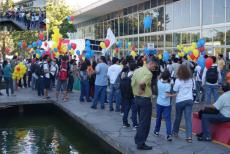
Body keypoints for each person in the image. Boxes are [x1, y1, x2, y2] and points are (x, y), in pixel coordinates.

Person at [132, 58, 156, 150]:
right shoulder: (148, 73)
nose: (154, 67)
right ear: (151, 63)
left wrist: (137, 93)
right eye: (154, 65)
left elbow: (133, 83)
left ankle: (138, 139)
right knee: (144, 123)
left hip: (137, 99)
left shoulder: (137, 70)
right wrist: (141, 91)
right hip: (144, 100)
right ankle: (141, 143)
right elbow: (142, 83)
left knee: (141, 121)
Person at [197, 72, 230, 141]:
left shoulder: (224, 96)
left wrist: (206, 106)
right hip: (227, 114)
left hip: (225, 116)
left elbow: (215, 107)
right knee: (209, 114)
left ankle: (207, 136)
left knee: (205, 116)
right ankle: (204, 132)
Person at [172, 64, 194, 143]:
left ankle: (175, 132)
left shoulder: (178, 80)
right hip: (189, 100)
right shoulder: (191, 79)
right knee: (188, 119)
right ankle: (189, 137)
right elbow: (193, 88)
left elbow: (174, 89)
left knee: (178, 117)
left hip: (180, 100)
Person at [154, 70, 174, 141]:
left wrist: (162, 73)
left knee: (158, 117)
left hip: (159, 103)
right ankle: (168, 134)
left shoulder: (159, 82)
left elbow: (158, 77)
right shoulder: (168, 85)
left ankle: (156, 131)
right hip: (166, 104)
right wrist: (174, 95)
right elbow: (167, 95)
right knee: (168, 119)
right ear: (168, 77)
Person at [120, 62, 138, 129]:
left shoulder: (126, 73)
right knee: (134, 111)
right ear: (135, 68)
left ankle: (124, 123)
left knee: (126, 109)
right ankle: (135, 124)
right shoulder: (135, 75)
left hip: (126, 95)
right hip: (133, 95)